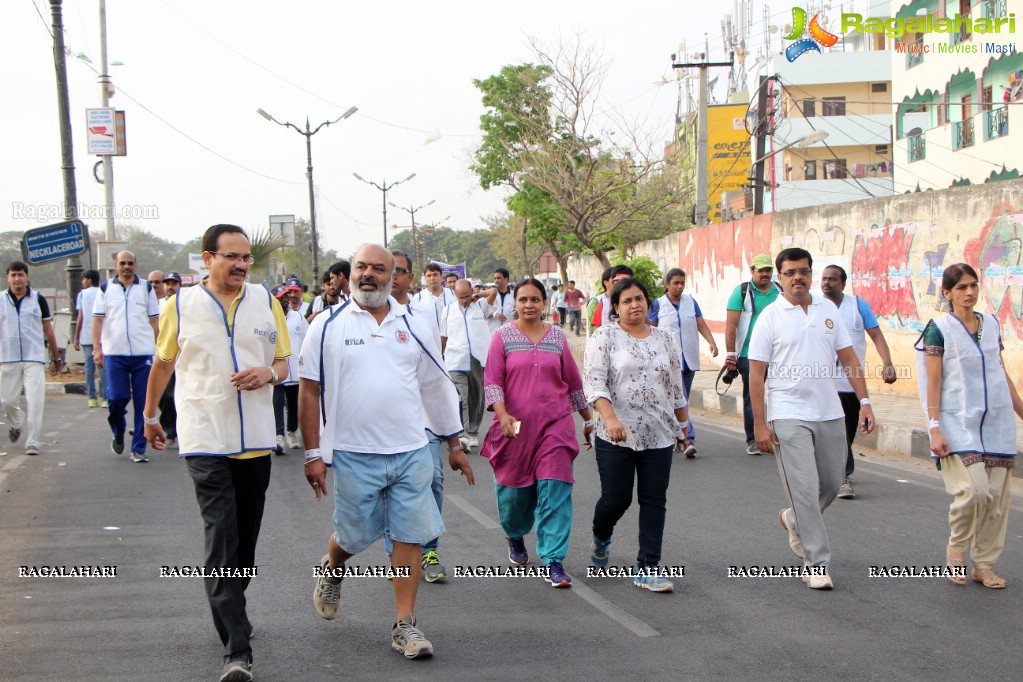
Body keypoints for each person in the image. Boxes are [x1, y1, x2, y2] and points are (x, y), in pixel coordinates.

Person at [300, 244, 475, 660]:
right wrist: (312, 454)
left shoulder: (414, 324)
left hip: (412, 448)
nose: (369, 275)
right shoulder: (326, 325)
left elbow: (435, 385)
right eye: (362, 267)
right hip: (353, 451)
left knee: (409, 536)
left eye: (379, 269)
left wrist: (454, 442)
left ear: (394, 275)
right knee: (355, 535)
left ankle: (404, 624)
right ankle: (332, 565)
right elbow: (309, 389)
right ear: (351, 273)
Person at [143, 224, 290, 682]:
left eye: (246, 258)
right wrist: (150, 416)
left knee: (244, 541)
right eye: (232, 257)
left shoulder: (266, 301)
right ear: (207, 258)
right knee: (222, 538)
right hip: (205, 437)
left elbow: (284, 361)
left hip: (256, 441)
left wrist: (268, 373)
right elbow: (164, 363)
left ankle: (232, 610)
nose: (242, 265)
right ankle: (237, 650)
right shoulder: (179, 306)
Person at [748, 248, 875, 591]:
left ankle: (792, 519)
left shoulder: (828, 310)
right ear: (780, 278)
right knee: (803, 488)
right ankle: (816, 562)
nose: (797, 277)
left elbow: (848, 358)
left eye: (803, 271)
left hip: (829, 411)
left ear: (810, 273)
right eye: (790, 272)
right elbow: (756, 375)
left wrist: (864, 401)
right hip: (788, 414)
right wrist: (760, 423)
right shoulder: (770, 317)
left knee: (833, 482)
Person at [916, 263, 1023, 589]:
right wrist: (934, 426)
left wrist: (1019, 408)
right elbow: (933, 381)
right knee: (973, 491)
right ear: (947, 293)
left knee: (996, 500)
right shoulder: (939, 328)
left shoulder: (990, 324)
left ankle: (985, 564)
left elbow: (998, 369)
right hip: (957, 422)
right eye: (961, 287)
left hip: (997, 422)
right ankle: (957, 550)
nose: (970, 292)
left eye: (973, 285)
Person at [482, 279, 593, 588]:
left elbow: (572, 383)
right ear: (514, 303)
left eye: (534, 299)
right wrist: (502, 415)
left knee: (555, 490)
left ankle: (553, 560)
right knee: (514, 494)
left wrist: (588, 419)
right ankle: (514, 535)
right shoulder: (501, 337)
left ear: (545, 303)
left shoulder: (557, 337)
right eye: (522, 299)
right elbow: (493, 381)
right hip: (513, 427)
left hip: (555, 425)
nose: (528, 304)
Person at [583, 277, 688, 593]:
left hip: (659, 434)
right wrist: (611, 418)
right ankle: (601, 537)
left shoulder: (665, 339)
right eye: (627, 300)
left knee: (654, 500)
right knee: (617, 499)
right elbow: (595, 382)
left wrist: (684, 429)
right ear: (615, 307)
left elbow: (674, 387)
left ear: (648, 302)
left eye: (640, 298)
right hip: (616, 433)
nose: (635, 305)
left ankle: (649, 567)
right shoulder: (604, 337)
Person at [389, 249, 451, 583]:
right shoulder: (358, 317)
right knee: (390, 486)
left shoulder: (424, 314)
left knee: (433, 479)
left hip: (422, 417)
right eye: (389, 270)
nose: (393, 276)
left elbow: (437, 371)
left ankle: (428, 549)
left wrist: (452, 436)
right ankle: (395, 553)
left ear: (409, 277)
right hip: (382, 422)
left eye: (399, 271)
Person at [820, 265, 897, 498]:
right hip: (822, 382)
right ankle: (842, 476)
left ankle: (836, 471)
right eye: (824, 279)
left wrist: (888, 363)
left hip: (850, 383)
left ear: (843, 283)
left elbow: (876, 336)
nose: (826, 283)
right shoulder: (814, 306)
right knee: (834, 432)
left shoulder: (857, 307)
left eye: (832, 279)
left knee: (847, 431)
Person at [92, 250, 160, 462]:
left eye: (130, 262)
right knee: (116, 398)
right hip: (115, 353)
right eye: (123, 263)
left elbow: (155, 320)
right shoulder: (105, 288)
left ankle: (138, 448)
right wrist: (96, 348)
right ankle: (118, 431)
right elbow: (97, 320)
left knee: (143, 402)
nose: (126, 266)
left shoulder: (146, 288)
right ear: (116, 265)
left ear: (136, 265)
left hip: (143, 354)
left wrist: (161, 349)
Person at [649, 268, 718, 458]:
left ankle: (674, 434)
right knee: (682, 399)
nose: (679, 287)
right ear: (667, 284)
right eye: (675, 283)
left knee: (678, 400)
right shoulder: (658, 305)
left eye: (682, 283)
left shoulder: (690, 302)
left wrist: (711, 342)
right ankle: (689, 438)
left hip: (689, 359)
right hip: (668, 362)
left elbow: (700, 323)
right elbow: (650, 330)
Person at [1, 261, 62, 456]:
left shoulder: (38, 299)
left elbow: (48, 330)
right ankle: (16, 422)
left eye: (20, 274)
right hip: (7, 356)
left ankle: (33, 440)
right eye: (13, 275)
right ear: (8, 277)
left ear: (27, 277)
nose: (17, 279)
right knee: (8, 401)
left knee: (35, 401)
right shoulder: (1, 299)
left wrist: (56, 357)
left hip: (34, 357)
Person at [725, 253, 782, 455]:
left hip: (778, 354)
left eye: (768, 270)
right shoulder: (741, 292)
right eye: (761, 270)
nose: (765, 274)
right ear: (752, 271)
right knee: (753, 396)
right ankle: (753, 438)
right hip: (749, 354)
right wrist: (731, 354)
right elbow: (731, 325)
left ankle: (778, 434)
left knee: (780, 393)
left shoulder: (780, 291)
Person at [441, 279, 498, 450]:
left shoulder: (480, 306)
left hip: (478, 359)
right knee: (460, 398)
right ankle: (462, 435)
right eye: (461, 297)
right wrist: (440, 359)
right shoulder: (448, 310)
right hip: (455, 360)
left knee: (477, 397)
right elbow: (443, 336)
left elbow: (493, 292)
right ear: (455, 295)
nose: (464, 300)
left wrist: (477, 295)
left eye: (467, 296)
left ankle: (472, 432)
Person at [275, 281, 308, 451]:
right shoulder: (269, 317)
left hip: (295, 369)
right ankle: (279, 436)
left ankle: (291, 432)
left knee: (294, 403)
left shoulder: (297, 317)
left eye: (286, 297)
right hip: (277, 368)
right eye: (280, 298)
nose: (285, 300)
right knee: (277, 403)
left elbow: (306, 338)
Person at [158, 272, 186, 449]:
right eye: (168, 283)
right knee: (165, 396)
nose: (170, 287)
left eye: (174, 283)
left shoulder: (186, 305)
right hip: (164, 357)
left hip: (184, 357)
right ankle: (169, 430)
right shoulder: (156, 305)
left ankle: (182, 430)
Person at [74, 269, 106, 408]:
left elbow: (80, 317)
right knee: (103, 366)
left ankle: (92, 398)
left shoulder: (82, 294)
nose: (82, 282)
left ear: (89, 280)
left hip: (87, 336)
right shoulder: (103, 292)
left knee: (89, 367)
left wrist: (76, 337)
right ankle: (105, 398)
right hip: (102, 335)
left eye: (84, 279)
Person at [414, 262, 457, 328]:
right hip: (429, 337)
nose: (432, 278)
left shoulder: (453, 295)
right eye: (429, 276)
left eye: (435, 275)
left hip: (451, 336)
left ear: (441, 277)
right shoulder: (418, 298)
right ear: (425, 278)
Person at [590, 265, 633, 330]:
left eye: (626, 282)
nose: (622, 285)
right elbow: (596, 331)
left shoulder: (638, 304)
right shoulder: (602, 305)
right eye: (617, 282)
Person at [488, 268, 515, 332]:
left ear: (506, 279)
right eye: (495, 278)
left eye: (499, 278)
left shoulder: (514, 295)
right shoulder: (490, 294)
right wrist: (495, 314)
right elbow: (483, 312)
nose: (496, 280)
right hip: (493, 333)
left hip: (509, 332)